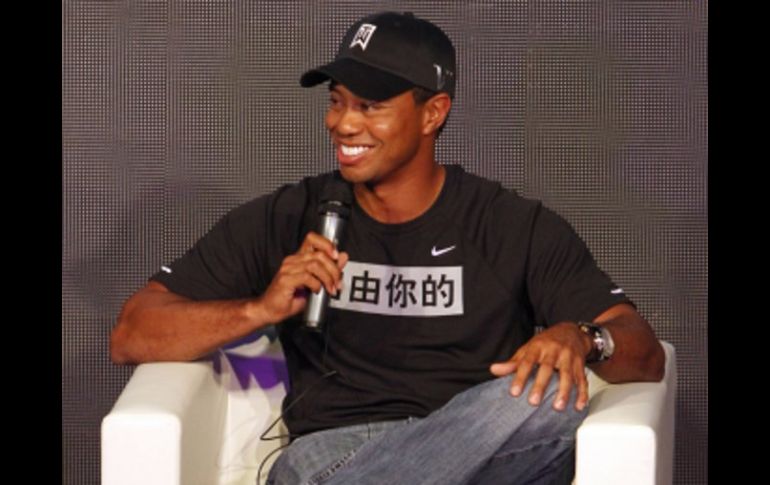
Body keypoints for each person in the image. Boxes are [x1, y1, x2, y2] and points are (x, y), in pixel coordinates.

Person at [111, 11, 665, 485]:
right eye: (337, 102)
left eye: (370, 105)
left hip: (476, 441)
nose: (342, 123)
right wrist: (259, 309)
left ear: (433, 113)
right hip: (333, 453)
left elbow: (644, 352)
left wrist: (583, 337)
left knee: (550, 398)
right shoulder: (291, 214)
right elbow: (133, 331)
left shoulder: (509, 224)